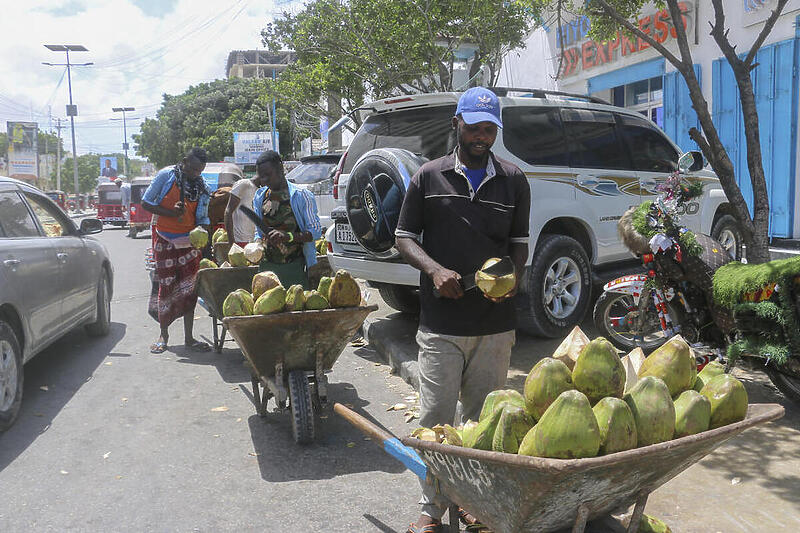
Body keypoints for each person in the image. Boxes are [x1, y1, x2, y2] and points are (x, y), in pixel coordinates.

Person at [394, 87, 530, 533]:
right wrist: (434, 271)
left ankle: (473, 504)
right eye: (474, 127)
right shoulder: (428, 178)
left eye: (489, 129)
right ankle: (431, 510)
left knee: (483, 422)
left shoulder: (513, 180)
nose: (481, 136)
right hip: (442, 324)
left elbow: (519, 246)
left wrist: (512, 282)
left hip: (494, 326)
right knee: (435, 419)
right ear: (457, 123)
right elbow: (404, 237)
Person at [141, 147, 212, 354]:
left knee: (190, 289)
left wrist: (203, 230)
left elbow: (203, 217)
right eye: (193, 169)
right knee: (166, 286)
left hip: (189, 243)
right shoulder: (166, 176)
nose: (195, 174)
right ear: (184, 162)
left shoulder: (202, 186)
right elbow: (146, 202)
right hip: (164, 238)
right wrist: (170, 213)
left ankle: (189, 338)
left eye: (199, 171)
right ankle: (164, 335)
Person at [252, 150, 322, 288]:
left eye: (268, 175)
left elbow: (315, 232)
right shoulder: (260, 197)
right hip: (267, 268)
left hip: (295, 267)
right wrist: (257, 244)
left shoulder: (301, 196)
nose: (264, 180)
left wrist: (288, 236)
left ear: (280, 168)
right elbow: (259, 233)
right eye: (261, 176)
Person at [224, 159, 270, 247]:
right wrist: (232, 243)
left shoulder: (261, 192)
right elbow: (228, 212)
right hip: (239, 241)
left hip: (253, 243)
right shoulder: (244, 184)